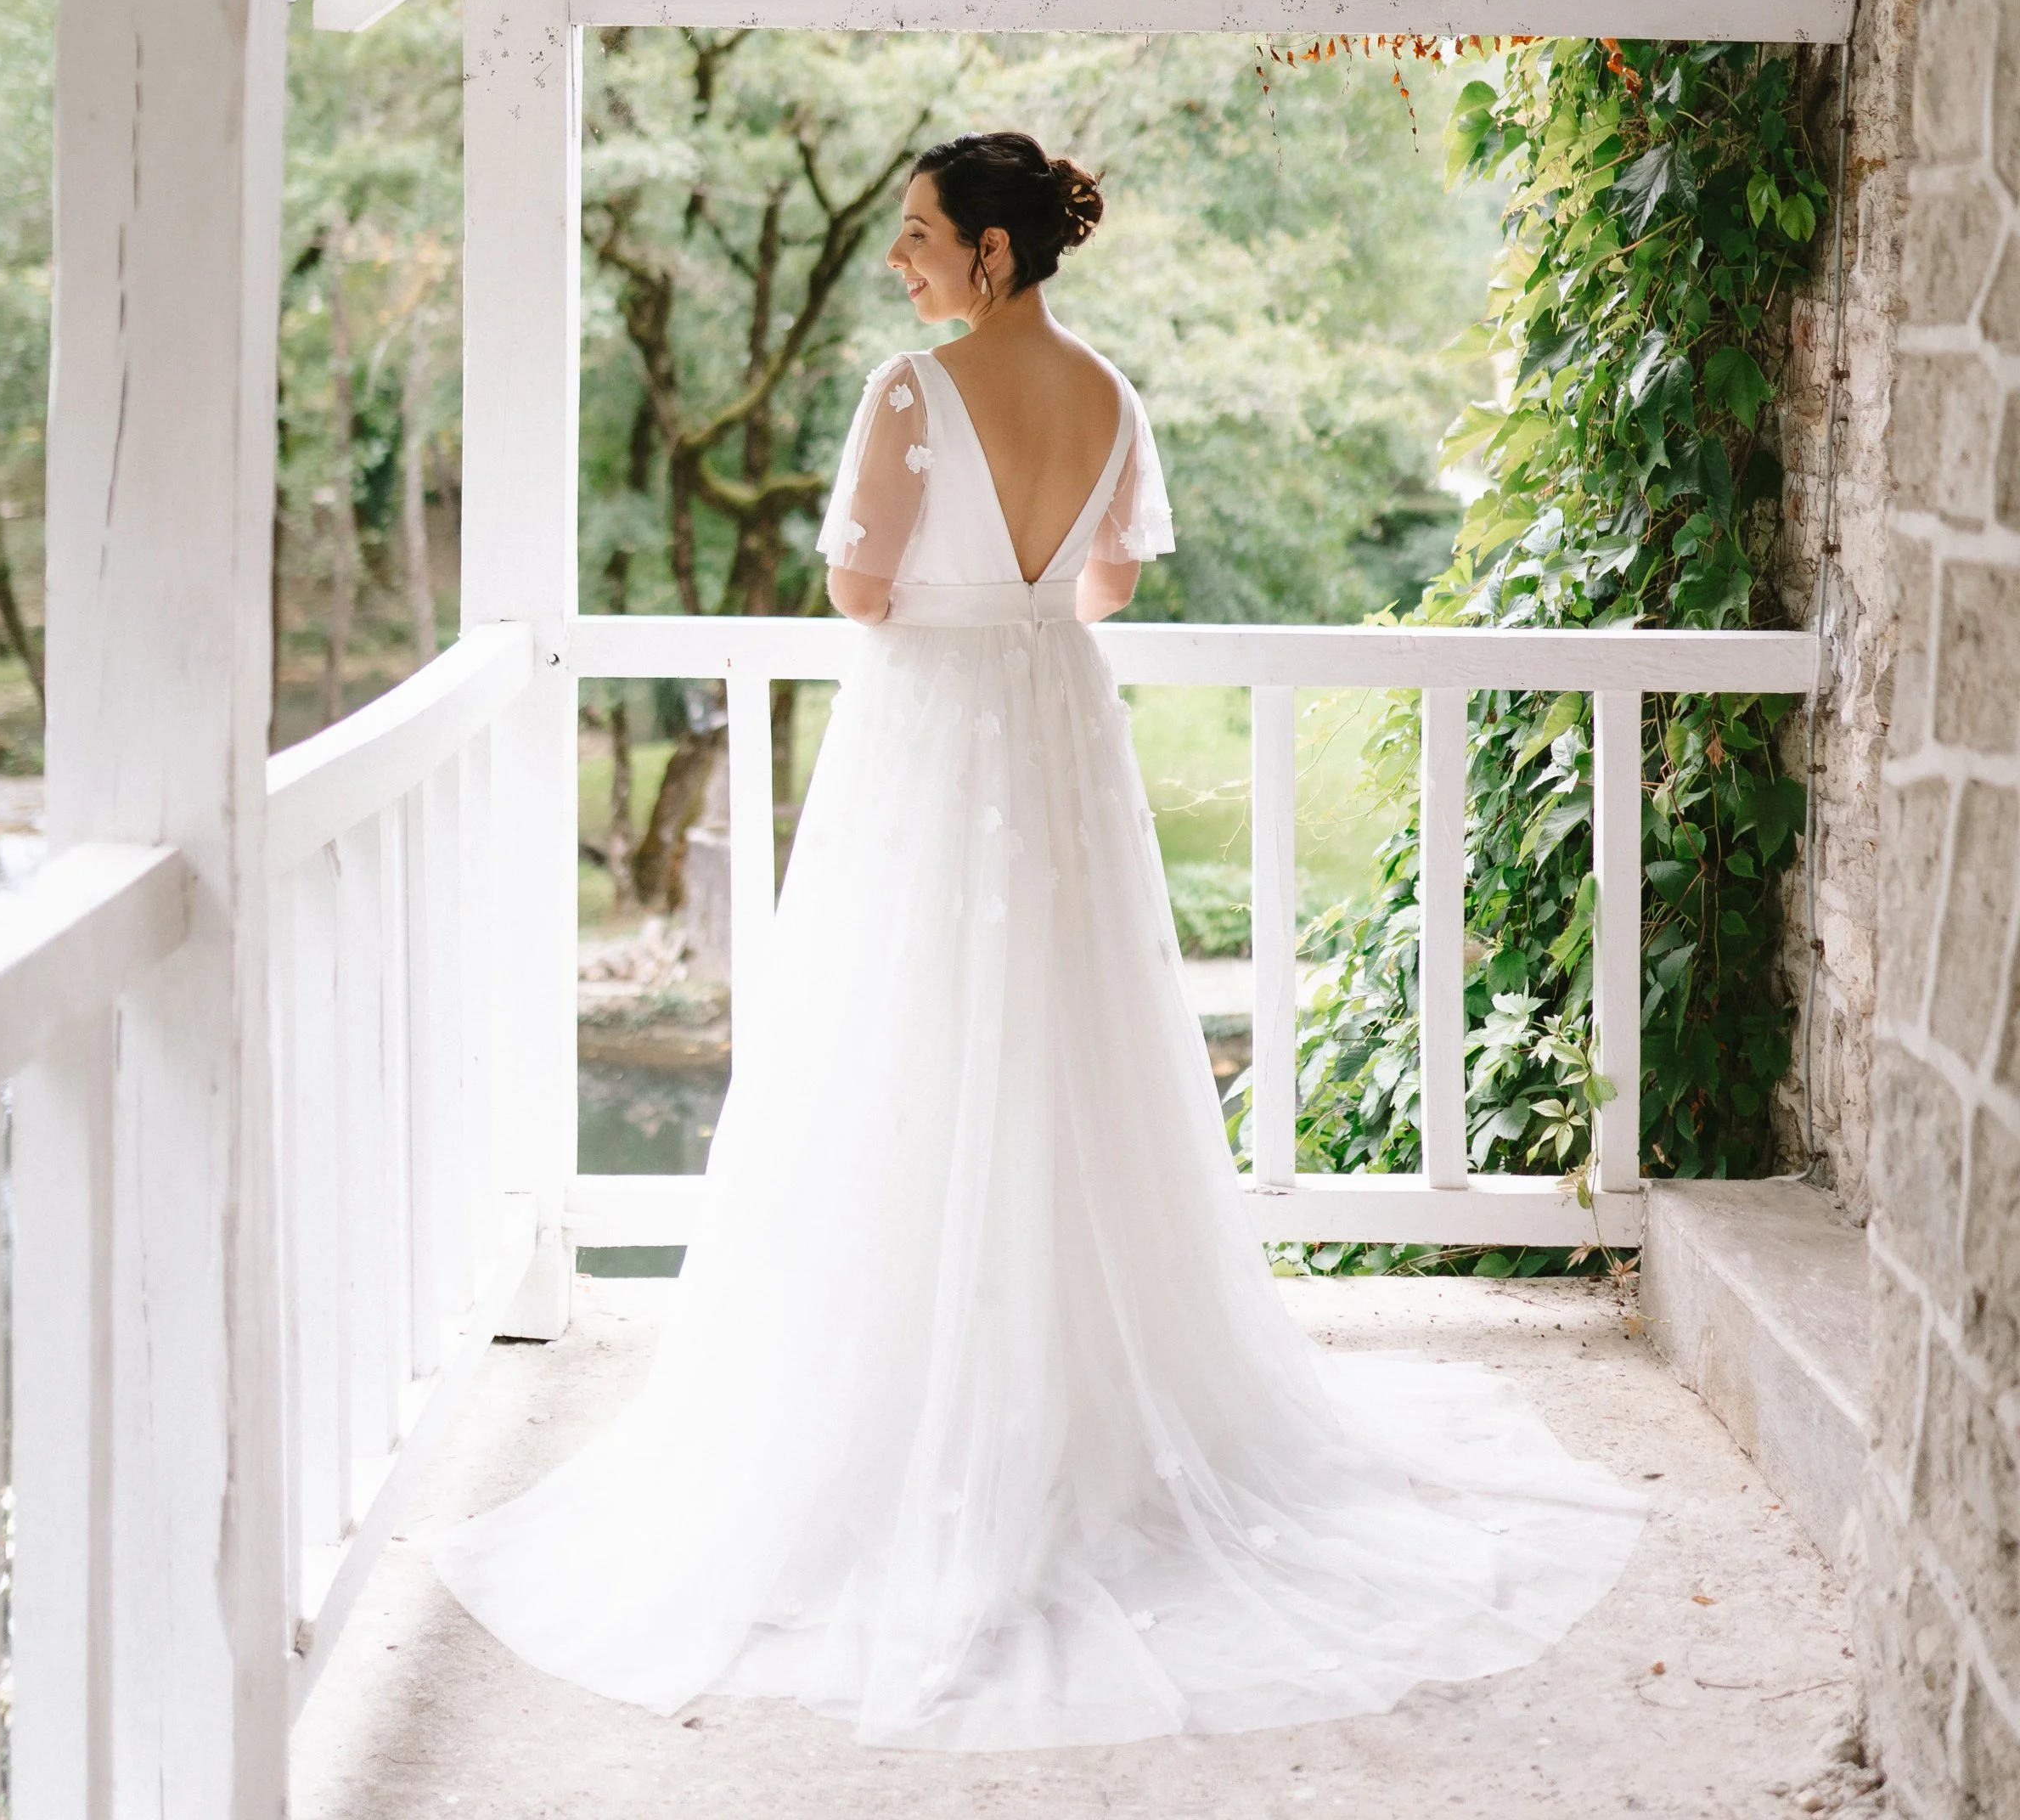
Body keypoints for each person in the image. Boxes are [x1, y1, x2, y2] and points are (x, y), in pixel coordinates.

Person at [435, 130, 1642, 1750]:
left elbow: (859, 592)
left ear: (992, 252)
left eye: (924, 236)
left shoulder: (906, 395)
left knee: (898, 1042)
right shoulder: (1115, 393)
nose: (904, 263)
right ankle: (1081, 1403)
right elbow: (1112, 583)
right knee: (1074, 1048)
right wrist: (1022, 590)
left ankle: (901, 1404)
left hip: (929, 736)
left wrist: (949, 586)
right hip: (1054, 726)